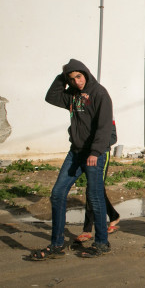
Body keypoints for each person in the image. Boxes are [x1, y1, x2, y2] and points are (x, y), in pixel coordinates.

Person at [32, 59, 114, 260]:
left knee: (95, 198)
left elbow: (104, 127)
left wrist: (95, 152)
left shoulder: (100, 94)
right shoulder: (72, 95)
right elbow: (51, 97)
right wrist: (63, 76)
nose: (77, 81)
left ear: (86, 73)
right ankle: (57, 243)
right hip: (75, 152)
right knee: (58, 193)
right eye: (72, 78)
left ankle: (102, 242)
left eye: (79, 76)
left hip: (94, 154)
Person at [76, 120, 120, 243]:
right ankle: (113, 216)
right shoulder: (84, 109)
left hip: (101, 154)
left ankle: (87, 229)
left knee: (93, 190)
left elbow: (113, 137)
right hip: (85, 153)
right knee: (95, 189)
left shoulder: (105, 108)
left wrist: (97, 146)